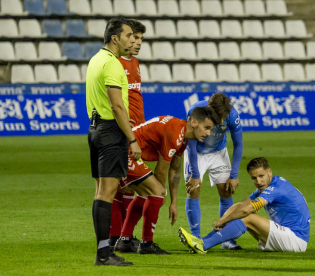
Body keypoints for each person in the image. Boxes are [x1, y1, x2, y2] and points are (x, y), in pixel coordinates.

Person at [114, 107, 219, 255]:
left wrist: (173, 202)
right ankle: (146, 244)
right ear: (194, 122)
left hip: (126, 152)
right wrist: (161, 194)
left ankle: (124, 241)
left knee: (146, 195)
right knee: (156, 192)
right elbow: (161, 170)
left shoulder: (183, 138)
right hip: (126, 152)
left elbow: (175, 170)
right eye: (206, 128)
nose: (208, 133)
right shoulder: (175, 133)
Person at [86, 16, 141, 266]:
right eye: (129, 35)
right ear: (115, 38)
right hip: (110, 132)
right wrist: (132, 140)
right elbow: (117, 105)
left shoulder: (95, 60)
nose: (133, 39)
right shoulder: (113, 65)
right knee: (107, 194)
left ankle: (103, 250)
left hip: (95, 128)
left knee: (100, 192)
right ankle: (104, 254)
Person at [178, 157, 311, 254]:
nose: (258, 181)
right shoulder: (266, 187)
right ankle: (201, 241)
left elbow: (247, 210)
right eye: (254, 178)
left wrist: (222, 220)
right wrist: (225, 219)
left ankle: (203, 245)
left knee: (246, 216)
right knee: (240, 212)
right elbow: (241, 205)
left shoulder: (276, 188)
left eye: (261, 176)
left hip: (296, 240)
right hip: (287, 235)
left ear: (269, 172)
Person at [184, 93, 243, 250]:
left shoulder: (233, 115)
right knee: (193, 190)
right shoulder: (195, 111)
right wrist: (195, 175)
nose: (222, 121)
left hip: (218, 152)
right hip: (196, 152)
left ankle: (226, 239)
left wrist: (234, 175)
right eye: (219, 117)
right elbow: (190, 142)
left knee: (226, 191)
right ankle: (195, 238)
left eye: (224, 116)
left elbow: (238, 145)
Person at [109, 19, 146, 249]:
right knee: (120, 184)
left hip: (139, 130)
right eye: (134, 37)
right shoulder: (114, 63)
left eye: (141, 38)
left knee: (128, 185)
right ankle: (118, 236)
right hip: (125, 130)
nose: (137, 42)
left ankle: (122, 235)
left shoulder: (135, 63)